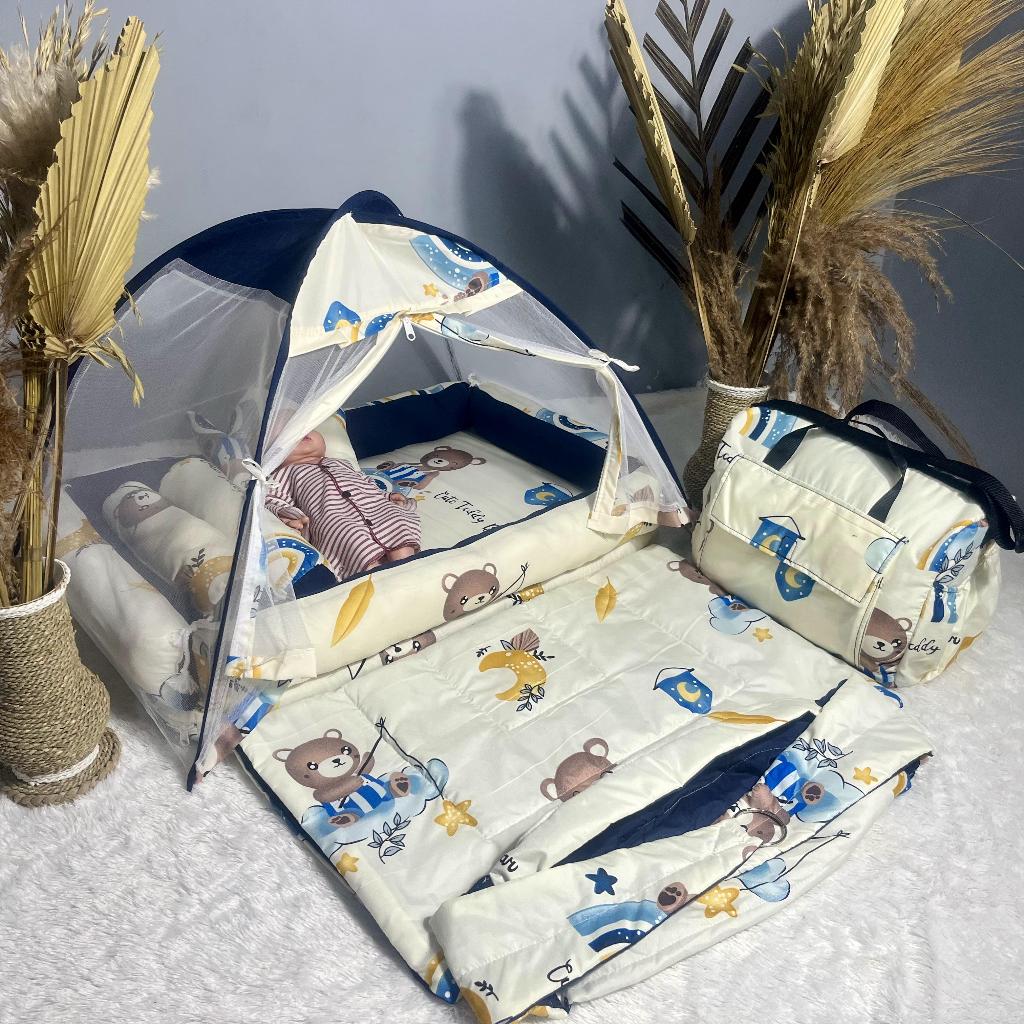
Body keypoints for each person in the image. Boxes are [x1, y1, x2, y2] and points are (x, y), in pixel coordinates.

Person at [265, 431, 420, 580]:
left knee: (396, 518)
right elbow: (272, 500)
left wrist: (386, 496)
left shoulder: (340, 463)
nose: (301, 432)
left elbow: (365, 482)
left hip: (373, 506)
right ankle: (374, 573)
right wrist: (288, 517)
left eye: (307, 427)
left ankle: (406, 563)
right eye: (289, 433)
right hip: (334, 516)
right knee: (349, 535)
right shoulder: (281, 475)